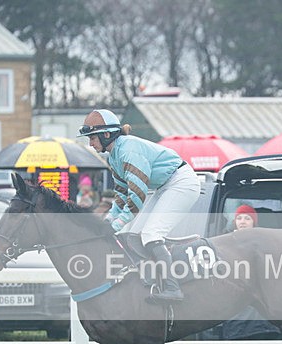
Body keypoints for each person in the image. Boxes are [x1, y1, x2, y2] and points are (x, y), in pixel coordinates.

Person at [77, 109, 199, 302]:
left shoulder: (128, 151)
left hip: (182, 182)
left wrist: (115, 225)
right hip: (165, 185)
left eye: (92, 138)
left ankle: (173, 287)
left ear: (106, 134)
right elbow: (121, 194)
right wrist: (108, 221)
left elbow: (136, 197)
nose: (90, 143)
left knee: (151, 234)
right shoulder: (113, 156)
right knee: (134, 234)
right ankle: (151, 280)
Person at [221, 204, 282, 344]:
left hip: (257, 309)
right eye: (239, 218)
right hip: (235, 307)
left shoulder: (264, 244)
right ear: (235, 222)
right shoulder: (226, 243)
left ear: (253, 222)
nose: (242, 222)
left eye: (247, 218)